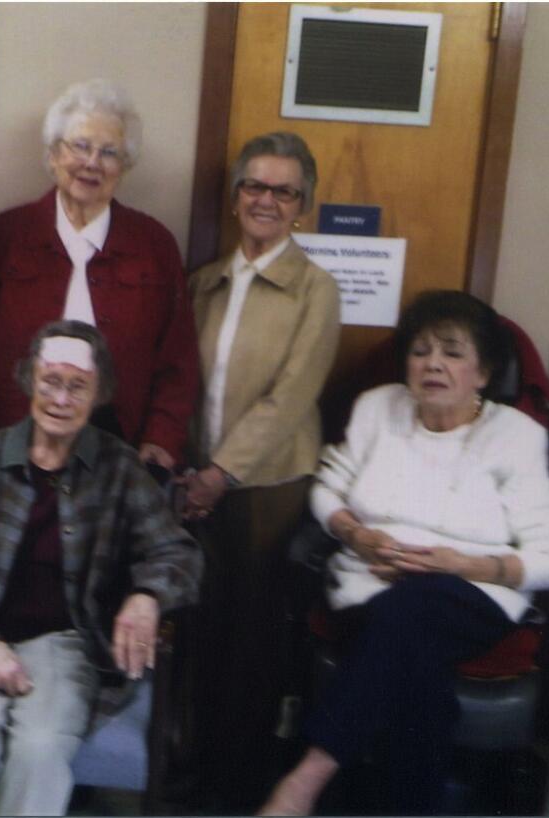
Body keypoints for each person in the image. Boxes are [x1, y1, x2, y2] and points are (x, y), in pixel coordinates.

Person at [0, 320, 204, 816]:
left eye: (77, 386)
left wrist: (147, 595)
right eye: (50, 381)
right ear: (29, 381)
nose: (60, 399)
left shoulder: (119, 468)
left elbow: (179, 552)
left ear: (99, 394)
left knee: (40, 750)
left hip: (61, 644)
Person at [259, 290, 549, 816]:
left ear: (484, 372)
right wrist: (356, 535)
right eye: (421, 350)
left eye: (452, 351)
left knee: (412, 608)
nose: (433, 363)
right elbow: (328, 487)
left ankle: (307, 777)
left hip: (475, 591)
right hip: (371, 579)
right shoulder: (377, 408)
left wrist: (460, 564)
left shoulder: (515, 436)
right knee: (417, 664)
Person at [183, 131, 341, 807]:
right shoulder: (204, 282)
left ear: (302, 203)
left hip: (268, 488)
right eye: (255, 186)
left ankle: (236, 785)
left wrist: (220, 473)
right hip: (194, 486)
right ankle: (187, 769)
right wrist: (193, 473)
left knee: (252, 644)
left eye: (283, 190)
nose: (266, 200)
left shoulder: (316, 288)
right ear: (236, 194)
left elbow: (289, 398)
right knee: (197, 628)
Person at [0, 79, 199, 472]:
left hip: (123, 453)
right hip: (13, 447)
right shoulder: (8, 235)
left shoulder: (155, 245)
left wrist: (161, 440)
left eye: (109, 152)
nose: (92, 163)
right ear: (53, 154)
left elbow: (178, 361)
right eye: (80, 146)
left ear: (125, 166)